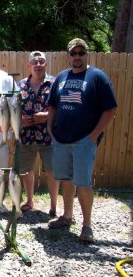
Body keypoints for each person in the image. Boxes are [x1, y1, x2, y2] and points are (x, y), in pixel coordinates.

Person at [47, 38, 117, 243]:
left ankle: (87, 226)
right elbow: (52, 105)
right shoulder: (61, 78)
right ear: (68, 56)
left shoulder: (97, 77)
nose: (77, 57)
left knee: (83, 182)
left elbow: (110, 109)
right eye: (73, 53)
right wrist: (50, 129)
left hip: (84, 141)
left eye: (81, 53)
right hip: (61, 139)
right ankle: (67, 216)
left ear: (87, 54)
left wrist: (93, 136)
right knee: (66, 179)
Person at [19, 51, 60, 216]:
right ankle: (29, 201)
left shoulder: (55, 83)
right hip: (26, 135)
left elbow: (61, 107)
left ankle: (54, 205)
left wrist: (47, 116)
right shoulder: (20, 85)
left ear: (46, 64)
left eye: (41, 62)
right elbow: (13, 107)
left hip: (49, 135)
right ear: (29, 65)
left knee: (52, 170)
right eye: (34, 62)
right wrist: (20, 119)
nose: (37, 65)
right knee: (26, 169)